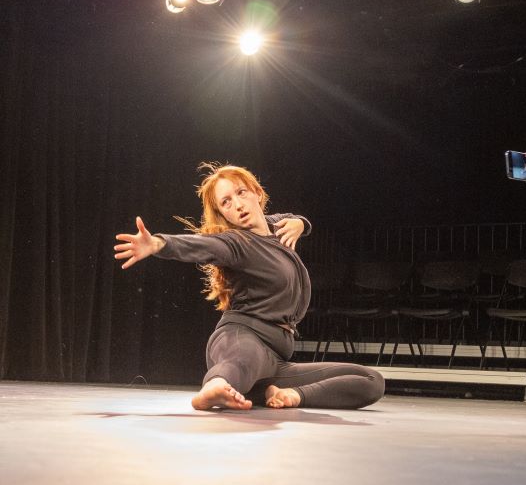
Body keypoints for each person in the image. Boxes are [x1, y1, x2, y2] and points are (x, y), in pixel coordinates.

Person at [114, 163, 385, 412]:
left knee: (371, 380)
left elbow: (289, 218)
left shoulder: (275, 227)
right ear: (223, 214)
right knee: (241, 362)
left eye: (241, 193)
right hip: (242, 337)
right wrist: (159, 244)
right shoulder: (236, 243)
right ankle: (214, 388)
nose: (238, 205)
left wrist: (302, 223)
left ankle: (288, 394)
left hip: (275, 362)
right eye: (226, 203)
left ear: (257, 193)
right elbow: (201, 245)